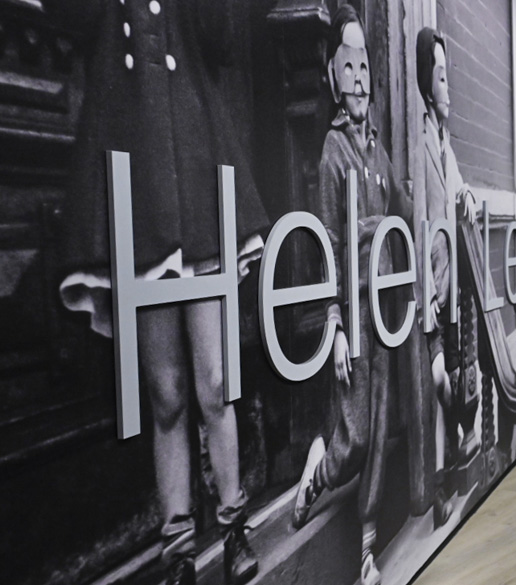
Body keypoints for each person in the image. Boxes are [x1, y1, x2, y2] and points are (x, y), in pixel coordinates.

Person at [46, 1, 266, 583]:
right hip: (135, 193)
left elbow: (221, 40)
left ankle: (235, 528)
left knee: (215, 384)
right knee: (166, 395)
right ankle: (178, 552)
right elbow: (68, 21)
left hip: (197, 186)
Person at [291, 7, 410, 585]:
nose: (360, 77)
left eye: (365, 65)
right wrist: (336, 323)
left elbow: (403, 216)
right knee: (356, 433)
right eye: (349, 66)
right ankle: (319, 467)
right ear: (333, 77)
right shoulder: (334, 152)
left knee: (383, 428)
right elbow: (326, 247)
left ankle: (365, 552)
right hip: (355, 312)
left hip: (387, 311)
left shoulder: (377, 150)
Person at [415, 27, 482, 528]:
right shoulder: (419, 143)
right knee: (440, 381)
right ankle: (460, 443)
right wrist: (422, 293)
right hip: (432, 290)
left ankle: (444, 482)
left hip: (453, 283)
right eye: (440, 76)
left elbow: (461, 197)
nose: (448, 86)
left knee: (454, 379)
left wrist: (468, 200)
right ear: (425, 81)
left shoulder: (445, 142)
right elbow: (417, 221)